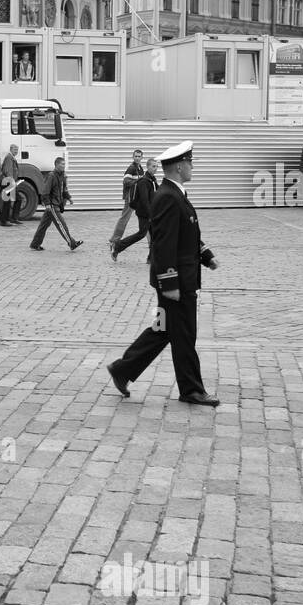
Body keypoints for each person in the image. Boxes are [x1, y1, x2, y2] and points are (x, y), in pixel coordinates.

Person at [106, 141, 221, 407]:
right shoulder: (169, 196)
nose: (192, 167)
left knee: (163, 329)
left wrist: (205, 255)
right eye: (190, 163)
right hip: (176, 282)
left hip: (176, 280)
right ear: (180, 166)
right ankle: (191, 390)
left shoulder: (175, 193)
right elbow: (164, 243)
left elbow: (185, 235)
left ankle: (123, 369)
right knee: (184, 335)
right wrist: (169, 282)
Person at [31, 157, 82, 251]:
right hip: (52, 205)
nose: (64, 166)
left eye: (64, 164)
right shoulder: (51, 176)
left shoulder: (62, 176)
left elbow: (63, 189)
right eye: (62, 164)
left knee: (43, 226)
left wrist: (69, 197)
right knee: (62, 225)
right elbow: (45, 191)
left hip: (56, 204)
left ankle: (35, 244)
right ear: (56, 165)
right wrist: (47, 204)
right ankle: (72, 243)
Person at [112, 157, 158, 262]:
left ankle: (151, 258)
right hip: (144, 213)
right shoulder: (144, 181)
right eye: (153, 166)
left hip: (149, 212)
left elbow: (157, 193)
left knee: (155, 235)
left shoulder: (152, 179)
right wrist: (151, 214)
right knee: (141, 234)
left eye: (157, 166)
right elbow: (144, 200)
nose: (155, 168)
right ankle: (117, 246)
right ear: (148, 167)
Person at [108, 149, 144, 255]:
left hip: (137, 198)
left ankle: (151, 242)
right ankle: (114, 240)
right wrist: (139, 181)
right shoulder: (132, 168)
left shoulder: (140, 168)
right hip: (130, 198)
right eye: (136, 156)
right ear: (133, 157)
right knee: (124, 219)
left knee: (146, 218)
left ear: (142, 157)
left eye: (139, 156)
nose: (137, 158)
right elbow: (126, 181)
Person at [0, 144, 20, 227]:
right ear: (11, 149)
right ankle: (4, 221)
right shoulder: (9, 157)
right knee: (7, 202)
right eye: (15, 150)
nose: (16, 151)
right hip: (7, 182)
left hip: (9, 181)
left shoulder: (11, 158)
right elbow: (8, 171)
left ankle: (13, 219)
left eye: (17, 150)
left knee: (17, 199)